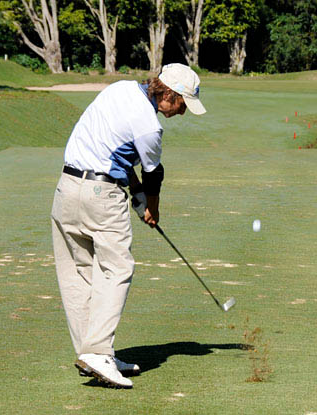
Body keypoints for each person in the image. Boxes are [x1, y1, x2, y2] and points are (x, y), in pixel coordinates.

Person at [51, 63, 206, 389]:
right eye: (182, 105)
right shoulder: (151, 127)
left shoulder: (119, 88)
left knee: (81, 273)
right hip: (101, 197)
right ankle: (97, 352)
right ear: (170, 95)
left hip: (66, 189)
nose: (181, 113)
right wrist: (151, 207)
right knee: (117, 268)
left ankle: (92, 353)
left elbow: (115, 149)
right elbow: (153, 174)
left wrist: (136, 196)